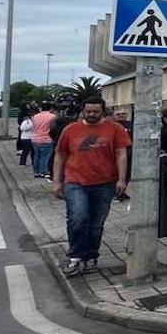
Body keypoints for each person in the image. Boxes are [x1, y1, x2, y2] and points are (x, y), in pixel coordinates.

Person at [51, 97, 130, 277]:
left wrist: (122, 179)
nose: (92, 115)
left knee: (95, 224)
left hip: (104, 184)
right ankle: (75, 256)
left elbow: (121, 154)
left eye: (96, 111)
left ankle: (91, 256)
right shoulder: (71, 130)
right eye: (88, 112)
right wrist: (56, 181)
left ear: (102, 111)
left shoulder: (115, 129)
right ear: (83, 111)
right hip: (75, 182)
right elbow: (60, 156)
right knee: (78, 218)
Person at [30, 103, 57, 178]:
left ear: (41, 108)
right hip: (46, 139)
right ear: (50, 108)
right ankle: (44, 171)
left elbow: (33, 127)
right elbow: (53, 127)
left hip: (35, 139)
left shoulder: (35, 116)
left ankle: (36, 172)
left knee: (37, 156)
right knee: (45, 156)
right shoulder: (52, 117)